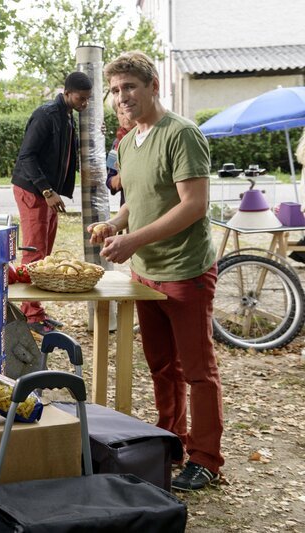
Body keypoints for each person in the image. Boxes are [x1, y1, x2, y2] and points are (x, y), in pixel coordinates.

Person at [90, 51, 223, 492]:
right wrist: (115, 224)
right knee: (161, 367)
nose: (122, 97)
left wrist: (134, 241)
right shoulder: (128, 141)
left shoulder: (181, 134)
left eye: (130, 87)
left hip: (185, 271)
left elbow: (194, 204)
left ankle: (206, 459)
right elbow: (141, 198)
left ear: (152, 86)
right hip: (145, 274)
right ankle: (173, 443)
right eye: (115, 90)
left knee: (197, 371)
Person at [11, 71, 93, 335]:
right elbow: (26, 156)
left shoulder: (68, 117)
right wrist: (47, 190)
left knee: (44, 254)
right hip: (33, 190)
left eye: (88, 100)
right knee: (34, 253)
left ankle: (37, 310)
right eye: (82, 98)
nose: (85, 104)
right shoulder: (46, 115)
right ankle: (31, 314)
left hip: (48, 192)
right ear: (67, 93)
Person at [106, 98, 137, 206]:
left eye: (128, 112)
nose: (126, 117)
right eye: (121, 113)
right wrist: (118, 179)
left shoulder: (146, 136)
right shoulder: (116, 143)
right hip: (127, 205)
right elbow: (110, 180)